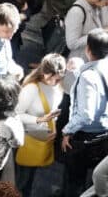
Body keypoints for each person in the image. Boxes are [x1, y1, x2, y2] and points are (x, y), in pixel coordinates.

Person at [62, 29, 108, 197]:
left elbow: (86, 115)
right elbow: (98, 82)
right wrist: (78, 69)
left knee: (74, 180)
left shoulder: (88, 76)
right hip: (107, 134)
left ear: (88, 49)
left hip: (84, 137)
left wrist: (67, 131)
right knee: (94, 182)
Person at [13, 54, 65, 196]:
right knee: (22, 180)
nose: (54, 82)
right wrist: (40, 120)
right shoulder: (32, 89)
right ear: (44, 72)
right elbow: (17, 114)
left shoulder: (58, 86)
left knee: (30, 180)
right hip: (27, 140)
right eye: (51, 78)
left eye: (58, 79)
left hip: (42, 140)